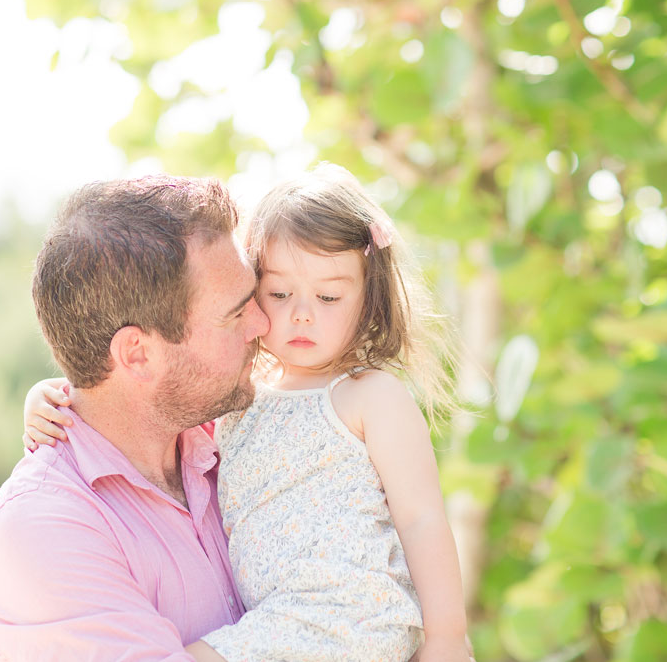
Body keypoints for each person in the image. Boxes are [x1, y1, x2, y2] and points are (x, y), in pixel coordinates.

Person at [24, 163, 472, 661]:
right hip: (278, 619)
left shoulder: (369, 395)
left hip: (342, 615)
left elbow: (422, 519)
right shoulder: (244, 394)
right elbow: (141, 395)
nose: (302, 313)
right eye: (278, 294)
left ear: (367, 299)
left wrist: (449, 638)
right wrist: (57, 394)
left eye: (328, 297)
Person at [0, 174, 271, 661]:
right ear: (136, 354)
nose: (263, 324)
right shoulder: (41, 527)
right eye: (235, 314)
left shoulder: (240, 441)